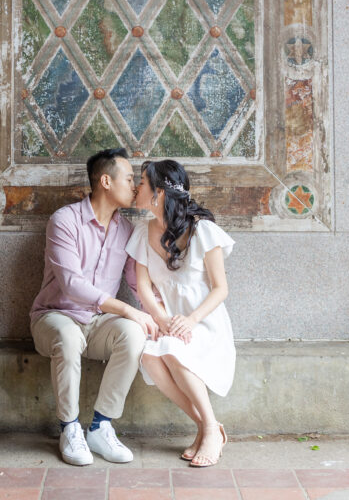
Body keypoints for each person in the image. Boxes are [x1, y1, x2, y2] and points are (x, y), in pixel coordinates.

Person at [30, 147, 158, 466]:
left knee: (133, 332)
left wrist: (159, 317)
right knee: (70, 336)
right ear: (105, 181)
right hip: (54, 317)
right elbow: (72, 284)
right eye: (129, 179)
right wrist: (127, 309)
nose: (134, 186)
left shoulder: (127, 228)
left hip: (98, 323)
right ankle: (69, 428)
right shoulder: (64, 220)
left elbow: (134, 281)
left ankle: (100, 427)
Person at [127, 159, 235, 468]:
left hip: (204, 323)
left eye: (142, 183)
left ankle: (210, 429)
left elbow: (220, 289)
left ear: (159, 193)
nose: (136, 187)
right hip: (170, 321)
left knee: (172, 350)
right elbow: (144, 288)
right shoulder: (142, 231)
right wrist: (163, 320)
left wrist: (189, 320)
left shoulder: (204, 231)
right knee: (148, 355)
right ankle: (207, 426)